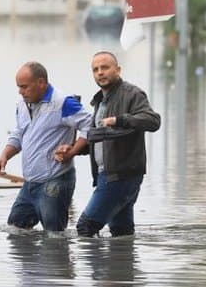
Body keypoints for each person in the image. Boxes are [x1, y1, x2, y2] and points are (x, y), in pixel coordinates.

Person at [56, 51, 160, 237]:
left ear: (118, 70)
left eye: (105, 67)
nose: (100, 73)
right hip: (107, 174)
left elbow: (152, 121)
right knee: (121, 232)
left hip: (120, 176)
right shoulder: (100, 101)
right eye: (95, 69)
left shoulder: (132, 94)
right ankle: (120, 265)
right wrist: (74, 150)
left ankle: (95, 266)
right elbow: (102, 139)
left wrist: (119, 120)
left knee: (86, 227)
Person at [0, 61, 92, 232]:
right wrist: (4, 155)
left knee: (54, 237)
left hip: (55, 181)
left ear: (41, 83)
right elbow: (19, 133)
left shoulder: (62, 103)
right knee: (15, 230)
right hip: (30, 183)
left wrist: (73, 151)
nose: (20, 92)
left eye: (24, 87)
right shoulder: (22, 105)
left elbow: (90, 125)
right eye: (18, 87)